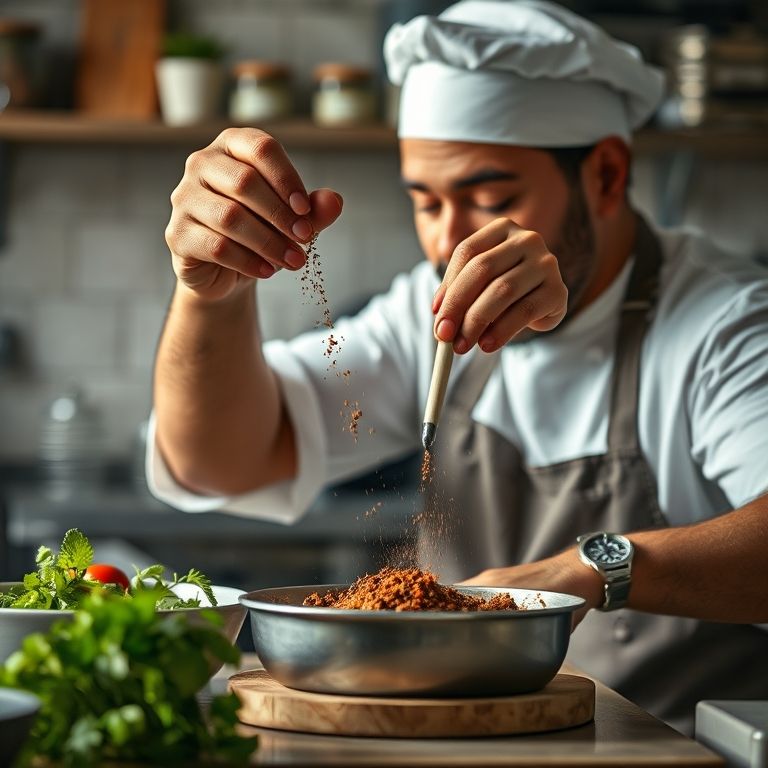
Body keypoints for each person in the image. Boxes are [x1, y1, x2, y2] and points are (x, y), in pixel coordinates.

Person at [148, 0, 768, 734]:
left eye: (489, 198)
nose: (447, 241)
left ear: (605, 175)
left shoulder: (724, 324)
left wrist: (585, 570)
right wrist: (209, 295)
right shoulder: (427, 312)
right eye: (426, 201)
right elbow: (218, 460)